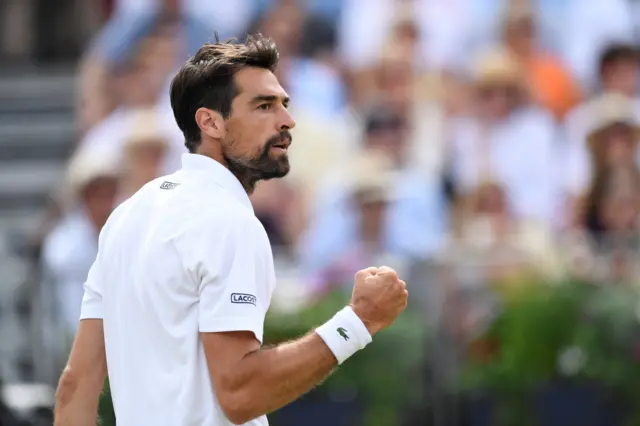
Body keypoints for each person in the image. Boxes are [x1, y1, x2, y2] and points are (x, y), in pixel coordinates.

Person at [53, 34, 408, 426]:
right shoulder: (228, 221)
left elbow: (75, 388)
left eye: (284, 105)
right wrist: (358, 321)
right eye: (264, 106)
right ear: (210, 122)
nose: (287, 120)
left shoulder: (126, 217)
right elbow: (239, 393)